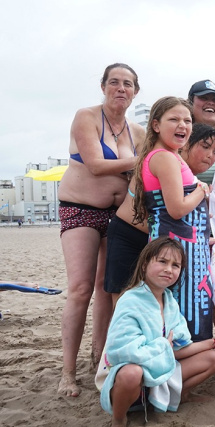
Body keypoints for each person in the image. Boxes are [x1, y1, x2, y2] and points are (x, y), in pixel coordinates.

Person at [58, 63, 145, 397]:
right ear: (103, 86)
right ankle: (67, 372)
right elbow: (94, 165)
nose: (120, 88)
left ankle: (99, 357)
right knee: (80, 288)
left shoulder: (137, 132)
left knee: (107, 288)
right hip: (81, 209)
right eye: (114, 82)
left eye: (127, 84)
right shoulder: (87, 117)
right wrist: (138, 162)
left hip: (118, 215)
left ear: (136, 91)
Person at [96, 237, 215, 427]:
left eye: (175, 265)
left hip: (158, 371)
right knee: (131, 373)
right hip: (130, 380)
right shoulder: (129, 300)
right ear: (144, 264)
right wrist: (162, 345)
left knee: (213, 358)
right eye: (162, 261)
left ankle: (180, 396)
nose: (169, 269)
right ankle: (119, 419)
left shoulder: (169, 302)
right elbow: (121, 352)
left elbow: (175, 351)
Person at [104, 124, 215, 304]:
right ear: (185, 144)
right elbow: (176, 211)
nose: (210, 156)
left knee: (158, 306)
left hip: (159, 243)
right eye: (205, 147)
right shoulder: (165, 161)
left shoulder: (189, 178)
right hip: (129, 235)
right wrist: (202, 190)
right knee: (125, 305)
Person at [130, 97, 213, 341]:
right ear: (156, 125)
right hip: (177, 245)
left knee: (182, 303)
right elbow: (176, 209)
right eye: (174, 119)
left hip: (186, 245)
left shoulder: (169, 156)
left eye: (187, 120)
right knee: (181, 303)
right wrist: (201, 189)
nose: (183, 126)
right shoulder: (164, 157)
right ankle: (182, 363)